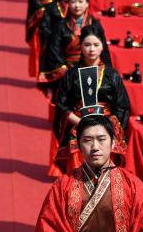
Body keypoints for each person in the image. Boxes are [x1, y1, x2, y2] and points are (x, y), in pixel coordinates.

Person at [51, 28, 129, 175]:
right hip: (78, 121)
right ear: (80, 46)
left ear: (102, 46)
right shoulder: (72, 75)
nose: (91, 49)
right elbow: (61, 104)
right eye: (87, 45)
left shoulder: (112, 75)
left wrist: (111, 124)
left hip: (107, 122)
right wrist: (79, 122)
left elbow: (122, 106)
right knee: (75, 141)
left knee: (107, 141)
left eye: (95, 44)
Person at [40, 0, 107, 89]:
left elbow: (104, 52)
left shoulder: (95, 24)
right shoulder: (60, 25)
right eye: (73, 2)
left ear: (87, 4)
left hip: (93, 70)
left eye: (80, 2)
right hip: (67, 73)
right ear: (68, 4)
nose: (77, 5)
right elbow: (54, 52)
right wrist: (69, 73)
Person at [26, 0, 59, 78]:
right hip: (41, 16)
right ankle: (42, 74)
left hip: (57, 15)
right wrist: (43, 11)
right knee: (41, 47)